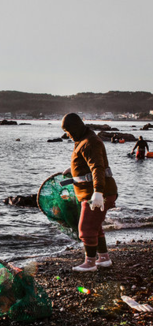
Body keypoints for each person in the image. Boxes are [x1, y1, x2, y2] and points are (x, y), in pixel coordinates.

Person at [61, 113, 118, 272]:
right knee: (95, 226)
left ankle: (90, 263)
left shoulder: (90, 142)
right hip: (97, 192)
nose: (68, 134)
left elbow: (97, 168)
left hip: (99, 193)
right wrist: (73, 171)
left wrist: (98, 192)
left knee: (86, 228)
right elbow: (86, 164)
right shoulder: (83, 140)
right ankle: (104, 258)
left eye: (68, 130)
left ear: (75, 127)